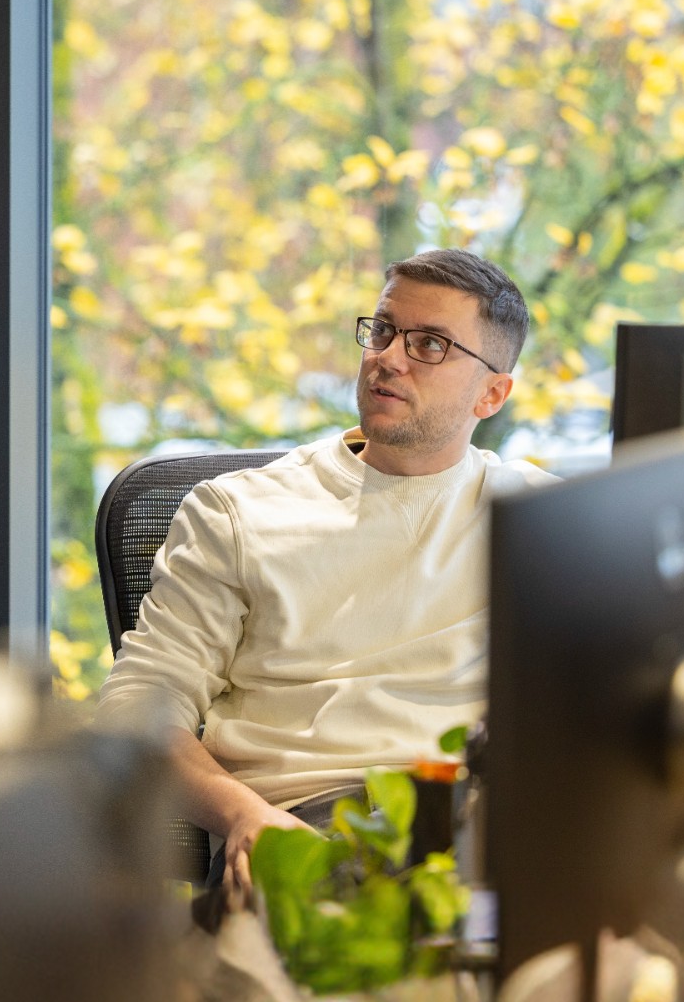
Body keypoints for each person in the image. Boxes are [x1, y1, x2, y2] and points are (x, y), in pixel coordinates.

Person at [95, 248, 556, 903]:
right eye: (386, 330)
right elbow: (136, 710)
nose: (388, 358)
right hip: (309, 826)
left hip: (484, 825)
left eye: (429, 344)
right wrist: (241, 814)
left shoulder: (537, 515)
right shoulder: (237, 511)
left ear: (493, 392)